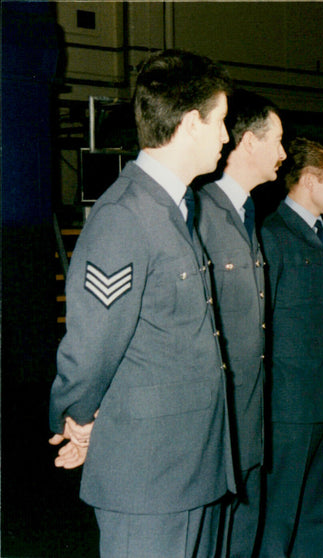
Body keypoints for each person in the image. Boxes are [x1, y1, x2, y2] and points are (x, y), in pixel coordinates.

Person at [48, 49, 236, 557]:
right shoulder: (125, 216)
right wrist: (76, 419)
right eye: (220, 122)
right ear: (192, 123)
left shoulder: (176, 207)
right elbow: (91, 345)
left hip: (190, 465)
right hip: (149, 477)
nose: (226, 136)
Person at [196, 89, 286, 557]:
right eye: (278, 141)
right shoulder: (200, 214)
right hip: (216, 421)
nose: (284, 154)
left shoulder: (250, 213)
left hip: (250, 416)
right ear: (248, 142)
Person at [259, 138, 323, 558]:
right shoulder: (272, 237)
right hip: (291, 405)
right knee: (280, 516)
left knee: (318, 513)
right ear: (311, 181)